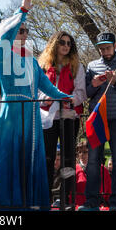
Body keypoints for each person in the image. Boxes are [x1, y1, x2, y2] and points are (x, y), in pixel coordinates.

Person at [0, 0, 72, 210]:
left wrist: (65, 96)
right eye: (20, 30)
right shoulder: (3, 54)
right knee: (10, 156)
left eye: (26, 31)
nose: (24, 34)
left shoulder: (32, 61)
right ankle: (8, 203)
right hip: (12, 112)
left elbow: (47, 87)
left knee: (30, 157)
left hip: (31, 114)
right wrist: (21, 12)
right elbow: (5, 36)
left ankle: (29, 201)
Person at [78, 32, 116, 211]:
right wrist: (94, 85)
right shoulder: (92, 65)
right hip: (97, 119)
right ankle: (92, 202)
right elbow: (86, 93)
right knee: (93, 161)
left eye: (108, 48)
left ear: (115, 45)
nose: (105, 51)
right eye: (102, 49)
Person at [37, 31, 87, 206]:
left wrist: (72, 99)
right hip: (47, 117)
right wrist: (45, 98)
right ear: (54, 45)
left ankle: (67, 199)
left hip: (68, 115)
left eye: (69, 44)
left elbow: (81, 91)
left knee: (67, 159)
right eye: (62, 43)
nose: (66, 46)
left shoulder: (76, 66)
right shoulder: (42, 66)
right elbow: (36, 90)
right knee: (47, 158)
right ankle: (45, 198)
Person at [74, 140, 111, 208]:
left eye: (85, 152)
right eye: (79, 152)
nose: (82, 155)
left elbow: (108, 191)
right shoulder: (75, 169)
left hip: (100, 206)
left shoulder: (103, 170)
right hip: (79, 207)